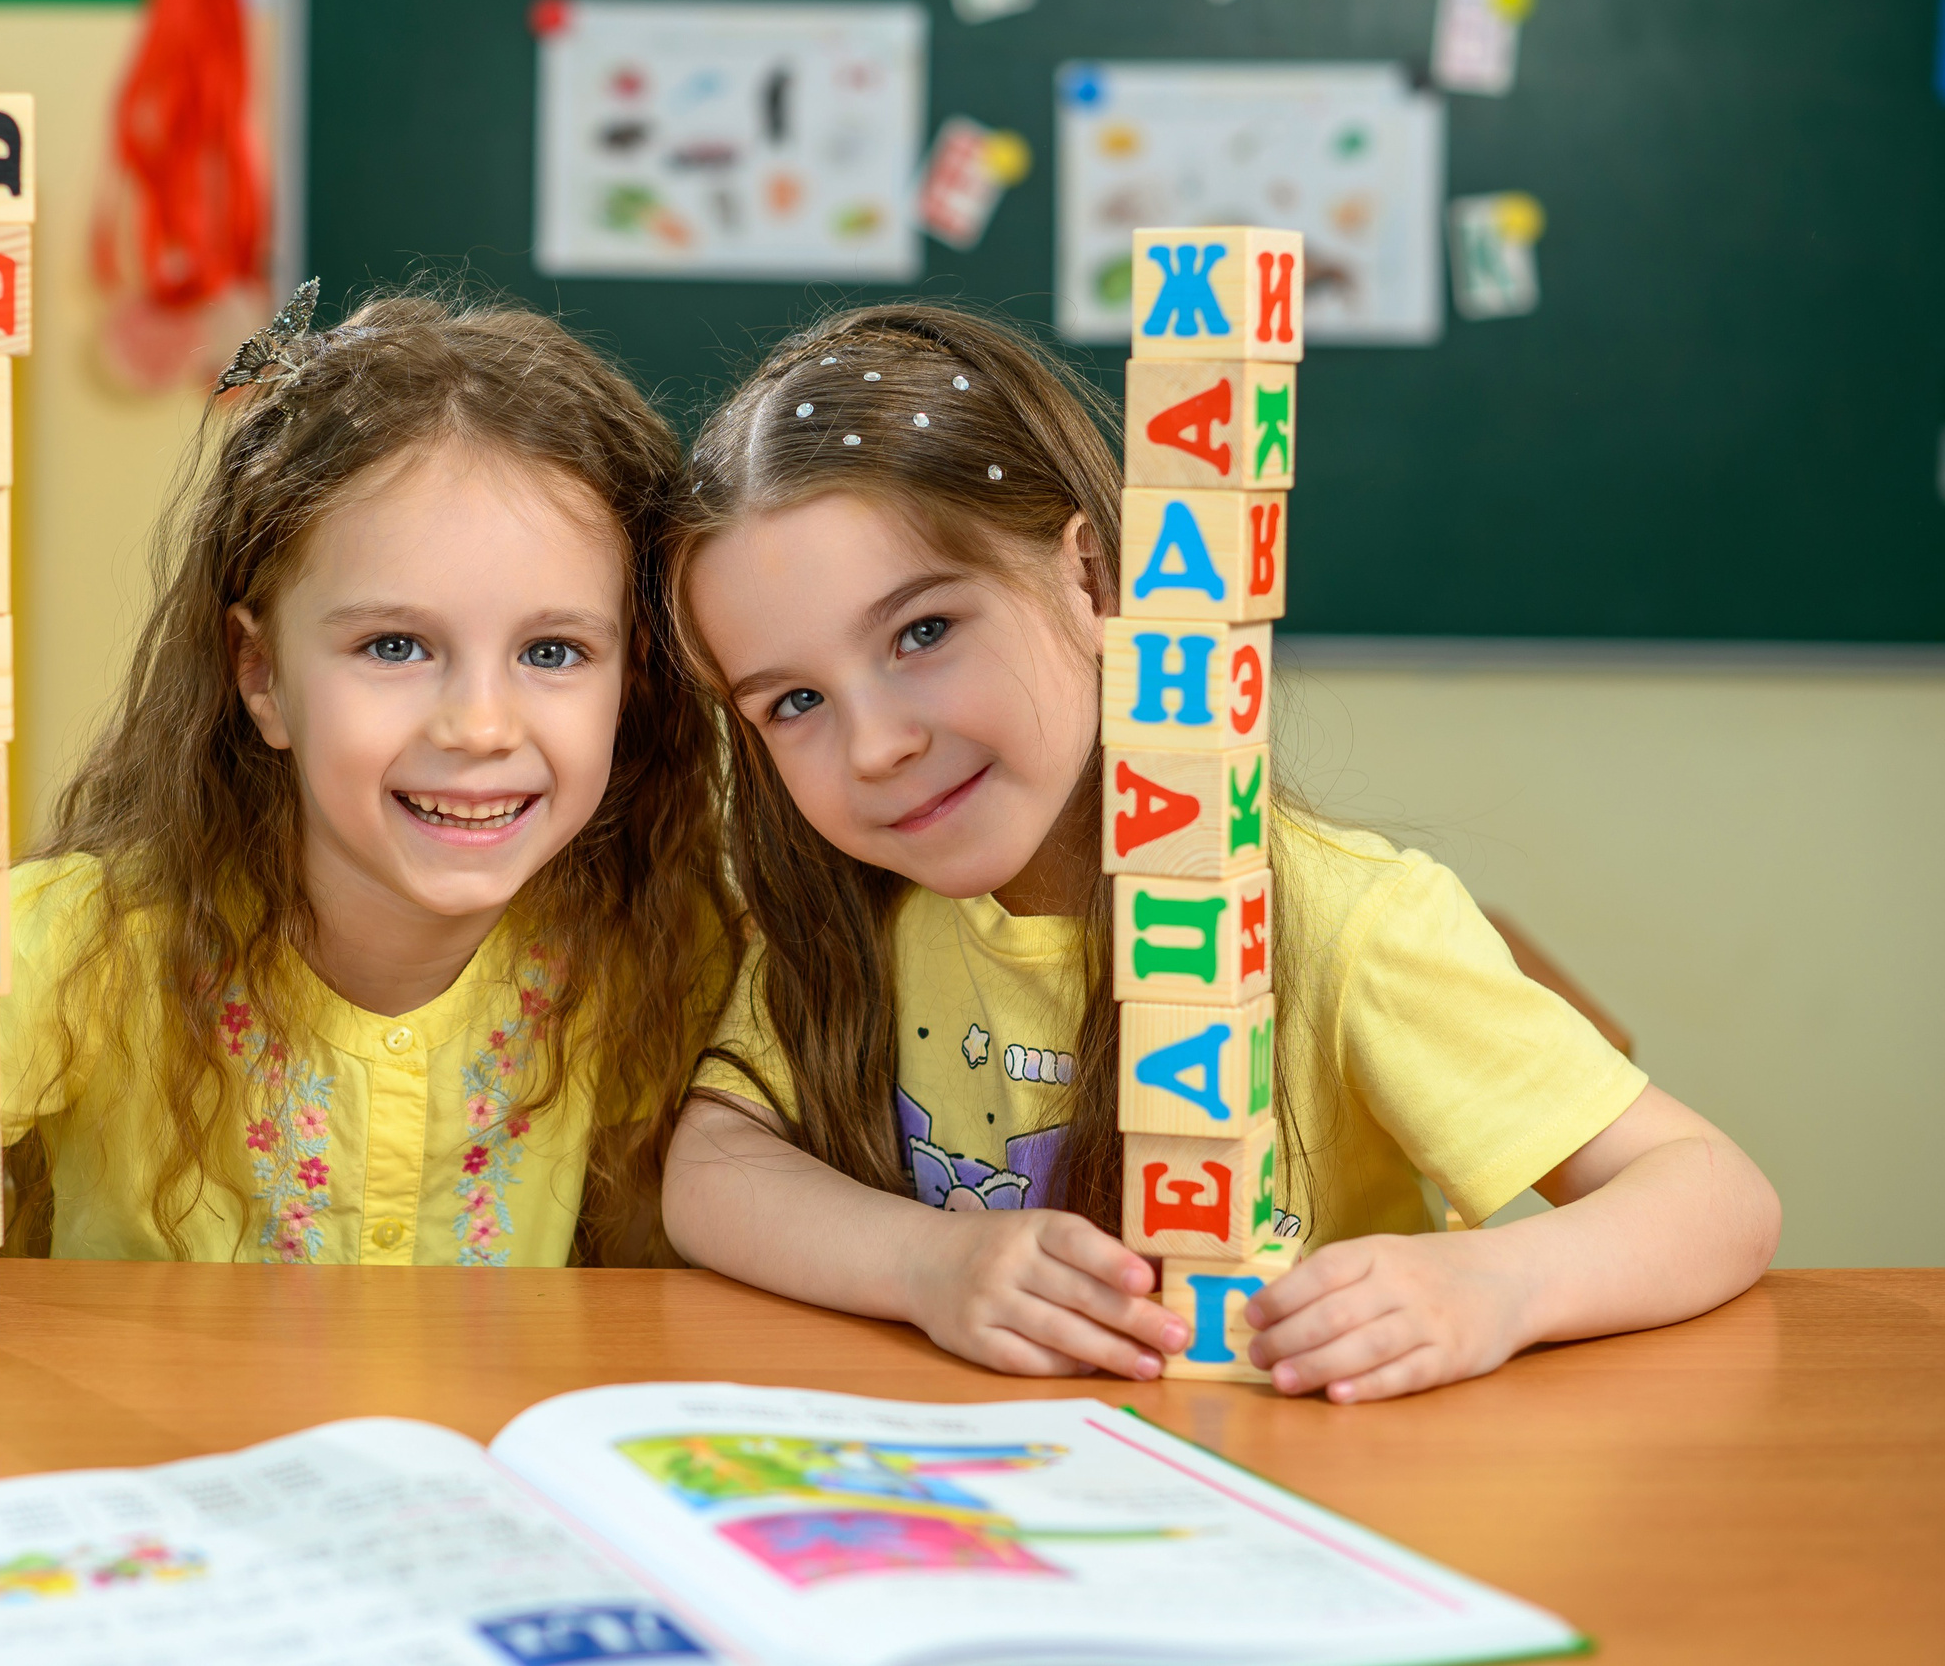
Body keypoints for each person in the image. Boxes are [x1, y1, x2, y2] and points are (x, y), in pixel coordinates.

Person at [657, 305, 1779, 1403]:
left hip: (1306, 1493)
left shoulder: (1345, 920)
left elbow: (1714, 1193)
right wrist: (925, 1264)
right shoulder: (856, 916)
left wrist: (1490, 1286)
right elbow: (712, 1169)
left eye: (923, 631)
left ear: (1089, 579)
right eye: (794, 699)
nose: (877, 744)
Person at [0, 287, 735, 1385]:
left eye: (553, 652)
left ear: (632, 678)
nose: (480, 726)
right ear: (261, 676)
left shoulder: (664, 945)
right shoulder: (83, 942)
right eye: (395, 647)